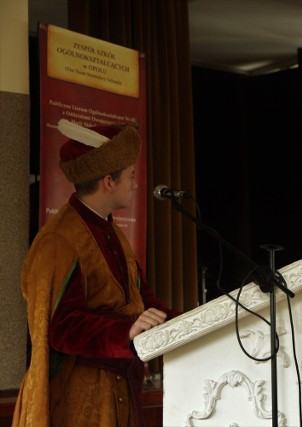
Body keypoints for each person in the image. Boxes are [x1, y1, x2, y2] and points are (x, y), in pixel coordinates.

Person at [12, 120, 181, 427]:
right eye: (130, 176)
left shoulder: (111, 233)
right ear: (108, 182)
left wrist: (195, 322)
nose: (135, 183)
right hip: (82, 403)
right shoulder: (58, 242)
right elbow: (61, 328)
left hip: (122, 395)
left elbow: (145, 302)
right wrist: (126, 331)